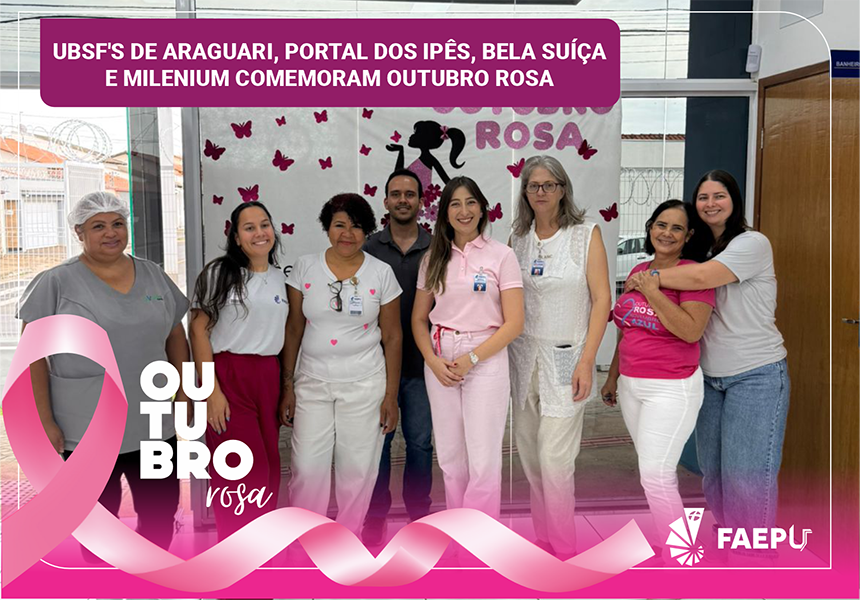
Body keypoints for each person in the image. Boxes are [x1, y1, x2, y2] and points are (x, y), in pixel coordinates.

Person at [626, 171, 789, 563]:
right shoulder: (702, 248)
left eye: (719, 196)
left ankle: (754, 561)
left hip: (755, 373)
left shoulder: (751, 243)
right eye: (703, 197)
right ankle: (731, 547)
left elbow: (701, 277)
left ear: (734, 200)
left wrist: (646, 279)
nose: (711, 203)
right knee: (714, 475)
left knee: (746, 475)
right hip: (710, 375)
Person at [19, 191, 190, 556]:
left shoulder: (153, 275)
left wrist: (184, 392)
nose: (111, 233)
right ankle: (104, 581)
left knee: (160, 512)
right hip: (86, 428)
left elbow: (176, 335)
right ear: (79, 232)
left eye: (118, 223)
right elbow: (32, 355)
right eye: (98, 226)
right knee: (97, 521)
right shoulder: (57, 282)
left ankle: (150, 574)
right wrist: (44, 420)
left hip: (152, 422)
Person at [508, 155, 611, 559]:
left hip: (568, 358)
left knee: (555, 459)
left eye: (549, 184)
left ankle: (565, 549)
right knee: (532, 456)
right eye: (533, 185)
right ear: (525, 192)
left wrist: (588, 360)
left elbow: (602, 299)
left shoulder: (585, 234)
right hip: (523, 359)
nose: (541, 192)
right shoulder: (518, 237)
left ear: (563, 189)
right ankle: (544, 538)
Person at [281, 193, 402, 536]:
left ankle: (346, 540)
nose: (347, 234)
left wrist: (390, 396)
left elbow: (393, 337)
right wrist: (287, 386)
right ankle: (307, 540)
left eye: (356, 227)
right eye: (339, 225)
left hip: (365, 384)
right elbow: (293, 329)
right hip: (312, 382)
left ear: (368, 231)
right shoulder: (304, 267)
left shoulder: (381, 273)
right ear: (326, 227)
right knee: (307, 468)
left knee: (357, 471)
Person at [603, 199, 714, 562]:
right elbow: (627, 328)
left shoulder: (694, 274)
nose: (667, 233)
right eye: (661, 225)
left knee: (657, 475)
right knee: (651, 472)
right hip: (632, 385)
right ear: (650, 227)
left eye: (677, 228)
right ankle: (670, 545)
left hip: (671, 388)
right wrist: (613, 376)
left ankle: (682, 558)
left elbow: (691, 330)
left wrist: (652, 291)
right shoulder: (639, 268)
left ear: (688, 236)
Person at [412, 176, 524, 523]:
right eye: (455, 204)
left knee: (483, 458)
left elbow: (514, 323)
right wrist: (433, 361)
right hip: (441, 356)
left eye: (471, 202)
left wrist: (473, 358)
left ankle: (478, 539)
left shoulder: (502, 255)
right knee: (450, 456)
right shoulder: (433, 258)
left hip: (485, 356)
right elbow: (419, 319)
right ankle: (457, 532)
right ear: (445, 212)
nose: (464, 211)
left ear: (482, 208)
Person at [189, 201, 286, 540]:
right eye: (249, 227)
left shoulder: (282, 278)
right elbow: (198, 331)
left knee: (268, 467)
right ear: (236, 236)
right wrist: (210, 392)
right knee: (240, 467)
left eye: (264, 224)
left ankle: (260, 549)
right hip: (229, 376)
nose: (259, 233)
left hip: (268, 377)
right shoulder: (219, 272)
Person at [361, 170, 433, 545]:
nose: (403, 200)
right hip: (377, 366)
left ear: (421, 201)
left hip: (423, 366)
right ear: (385, 201)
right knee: (380, 445)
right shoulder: (368, 248)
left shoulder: (437, 247)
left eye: (410, 194)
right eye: (396, 194)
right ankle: (375, 516)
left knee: (420, 444)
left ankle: (419, 516)